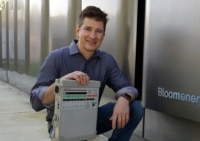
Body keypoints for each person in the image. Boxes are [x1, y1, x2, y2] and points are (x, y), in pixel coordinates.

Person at [30, 5, 144, 141]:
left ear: (103, 35)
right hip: (61, 125)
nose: (93, 36)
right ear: (78, 30)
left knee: (135, 108)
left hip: (91, 120)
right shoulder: (56, 57)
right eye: (88, 29)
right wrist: (61, 83)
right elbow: (36, 100)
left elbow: (127, 87)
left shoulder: (106, 61)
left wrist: (124, 98)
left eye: (98, 31)